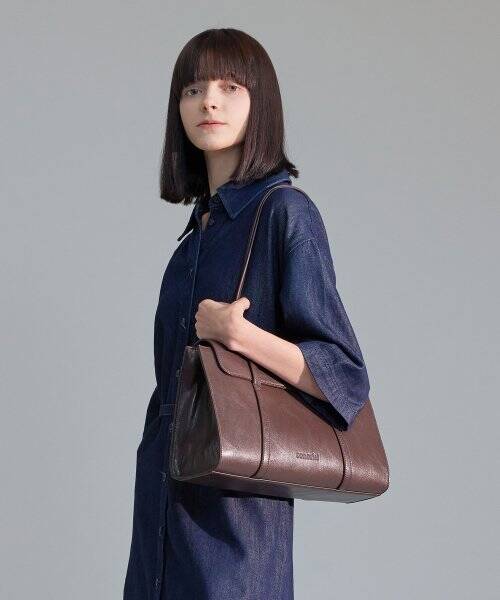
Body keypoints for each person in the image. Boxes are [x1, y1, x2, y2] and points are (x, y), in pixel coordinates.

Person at [123, 27, 370, 600]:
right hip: (162, 494)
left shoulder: (285, 213)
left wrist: (239, 334)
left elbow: (344, 378)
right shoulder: (194, 238)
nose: (208, 101)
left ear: (262, 102)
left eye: (229, 87)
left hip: (234, 509)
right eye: (192, 89)